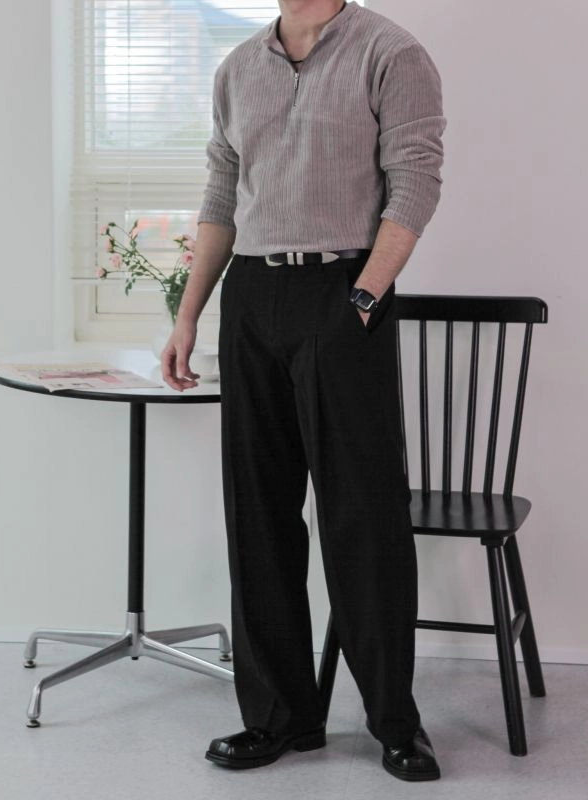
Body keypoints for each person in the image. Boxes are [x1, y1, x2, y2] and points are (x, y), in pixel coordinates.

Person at [162, 0, 446, 783]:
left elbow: (415, 181)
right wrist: (187, 316)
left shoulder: (390, 53)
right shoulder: (238, 68)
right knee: (257, 513)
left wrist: (365, 296)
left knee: (363, 516)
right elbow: (223, 194)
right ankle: (280, 716)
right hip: (252, 297)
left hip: (343, 291)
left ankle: (394, 721)